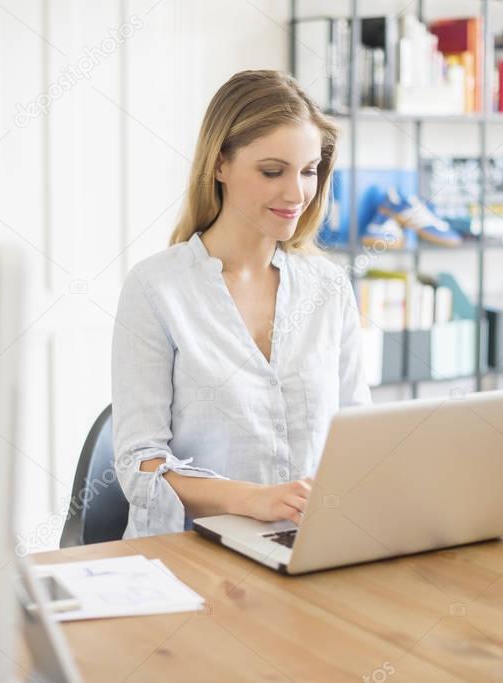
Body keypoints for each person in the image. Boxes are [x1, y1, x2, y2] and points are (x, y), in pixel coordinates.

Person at [112, 70, 371, 537]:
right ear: (219, 165)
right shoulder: (156, 288)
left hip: (307, 541)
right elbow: (140, 465)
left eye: (309, 171)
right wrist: (255, 500)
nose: (296, 194)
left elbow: (360, 434)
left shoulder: (329, 287)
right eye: (272, 171)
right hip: (191, 551)